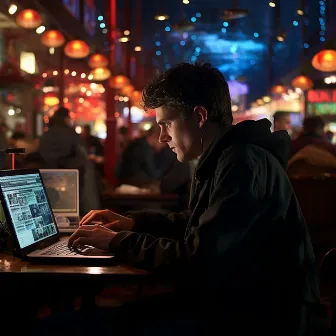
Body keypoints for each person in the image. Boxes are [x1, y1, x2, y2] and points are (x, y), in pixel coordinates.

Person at [66, 62, 323, 335]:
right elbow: (198, 225)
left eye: (166, 124)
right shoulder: (231, 155)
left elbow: (199, 259)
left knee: (111, 324)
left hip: (264, 318)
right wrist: (133, 224)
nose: (163, 137)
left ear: (199, 116)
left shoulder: (242, 162)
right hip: (242, 303)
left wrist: (118, 241)